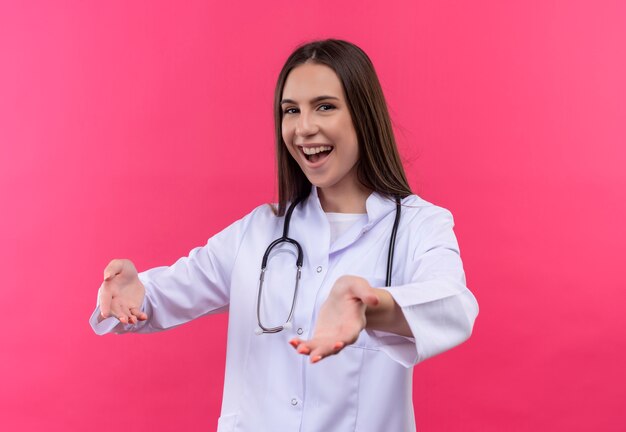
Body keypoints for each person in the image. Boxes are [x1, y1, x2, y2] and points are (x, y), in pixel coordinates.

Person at [90, 39, 479, 432]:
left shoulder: (416, 224)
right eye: (291, 110)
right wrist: (132, 293)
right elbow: (162, 295)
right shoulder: (260, 231)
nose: (304, 128)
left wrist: (368, 307)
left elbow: (453, 305)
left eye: (325, 106)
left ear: (363, 114)